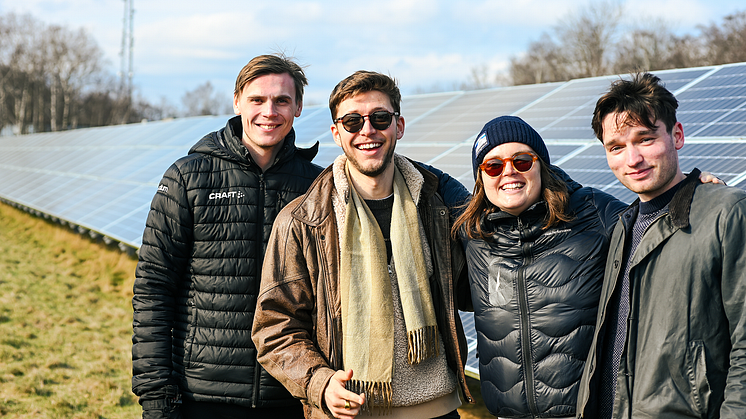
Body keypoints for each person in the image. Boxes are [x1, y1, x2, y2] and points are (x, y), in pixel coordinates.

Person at [251, 70, 473, 419]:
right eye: (353, 122)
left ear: (398, 126)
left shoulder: (438, 205)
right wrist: (320, 384)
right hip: (352, 413)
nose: (367, 130)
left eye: (380, 118)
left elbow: (476, 290)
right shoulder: (303, 221)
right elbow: (274, 327)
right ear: (337, 133)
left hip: (438, 410)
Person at [131, 54, 324, 419]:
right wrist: (156, 394)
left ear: (298, 107)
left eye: (282, 100)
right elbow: (153, 289)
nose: (270, 111)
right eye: (257, 99)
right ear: (237, 101)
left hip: (291, 395)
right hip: (201, 396)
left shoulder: (316, 187)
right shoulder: (188, 178)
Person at [576, 72, 746, 419]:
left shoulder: (727, 212)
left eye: (646, 139)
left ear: (677, 135)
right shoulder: (620, 227)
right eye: (616, 147)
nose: (632, 159)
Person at [451, 115, 627, 418]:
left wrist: (696, 191)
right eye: (493, 166)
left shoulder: (592, 213)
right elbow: (426, 182)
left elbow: (658, 227)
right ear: (480, 177)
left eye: (521, 161)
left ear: (540, 165)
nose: (508, 172)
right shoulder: (473, 234)